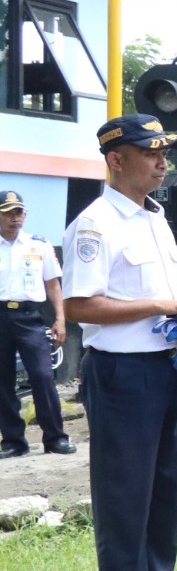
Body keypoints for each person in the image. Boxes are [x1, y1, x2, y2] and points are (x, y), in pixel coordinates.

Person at [62, 114, 177, 571]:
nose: (162, 161)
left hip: (167, 365)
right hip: (124, 371)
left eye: (164, 151)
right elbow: (80, 305)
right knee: (126, 490)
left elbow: (167, 293)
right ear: (116, 159)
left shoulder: (154, 218)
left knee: (167, 484)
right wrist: (161, 303)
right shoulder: (96, 225)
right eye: (151, 153)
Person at [0, 190, 73, 458]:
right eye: (8, 212)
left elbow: (53, 284)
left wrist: (60, 319)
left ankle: (56, 437)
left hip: (30, 317)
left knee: (43, 375)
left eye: (18, 212)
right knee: (2, 381)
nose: (14, 218)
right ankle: (13, 441)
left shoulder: (38, 245)